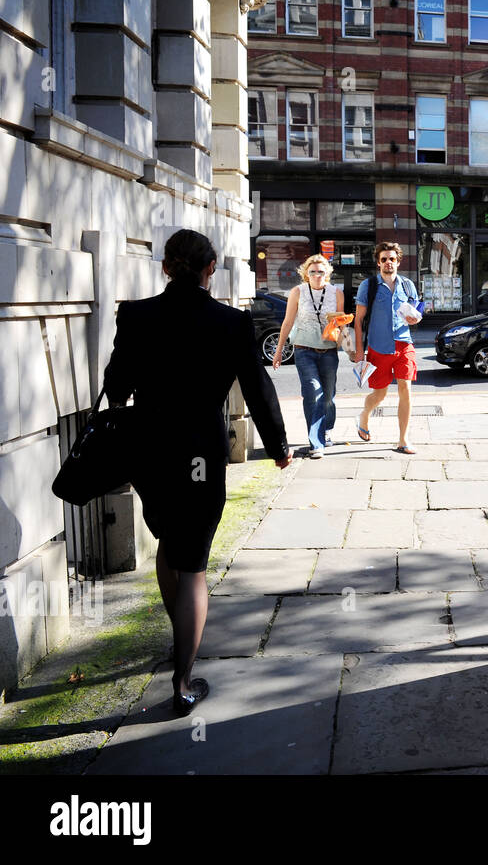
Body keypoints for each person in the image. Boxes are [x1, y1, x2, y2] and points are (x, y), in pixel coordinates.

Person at [104, 229, 291, 716]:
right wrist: (278, 446)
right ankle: (183, 679)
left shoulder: (137, 314)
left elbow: (115, 384)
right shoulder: (230, 322)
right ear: (211, 270)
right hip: (200, 456)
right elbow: (257, 387)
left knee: (171, 543)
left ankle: (179, 641)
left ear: (166, 268)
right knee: (194, 563)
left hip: (149, 449)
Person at [351, 242, 420, 454]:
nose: (388, 263)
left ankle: (403, 439)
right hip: (378, 347)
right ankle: (364, 415)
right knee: (379, 394)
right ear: (378, 262)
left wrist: (414, 320)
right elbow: (359, 320)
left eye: (392, 259)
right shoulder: (368, 286)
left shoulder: (407, 285)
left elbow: (416, 314)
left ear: (398, 262)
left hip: (403, 344)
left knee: (405, 389)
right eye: (384, 259)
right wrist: (360, 351)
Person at [272, 254, 344, 458]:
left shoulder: (336, 293)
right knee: (314, 392)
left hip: (329, 351)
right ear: (306, 273)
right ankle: (316, 442)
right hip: (304, 350)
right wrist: (279, 351)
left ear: (327, 273)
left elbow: (340, 322)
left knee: (328, 396)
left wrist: (347, 341)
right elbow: (287, 322)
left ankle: (326, 428)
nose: (317, 275)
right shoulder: (297, 292)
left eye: (321, 271)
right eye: (312, 271)